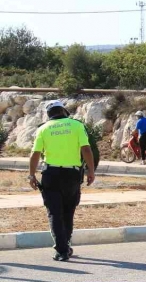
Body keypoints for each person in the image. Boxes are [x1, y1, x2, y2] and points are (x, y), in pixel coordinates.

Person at [28, 101, 96, 262]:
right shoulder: (76, 125)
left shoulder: (43, 128)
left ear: (48, 114)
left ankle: (62, 250)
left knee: (54, 213)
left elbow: (35, 153)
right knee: (68, 211)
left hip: (51, 174)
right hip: (72, 175)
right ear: (64, 111)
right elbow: (86, 149)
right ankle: (65, 244)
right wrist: (91, 171)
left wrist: (31, 175)